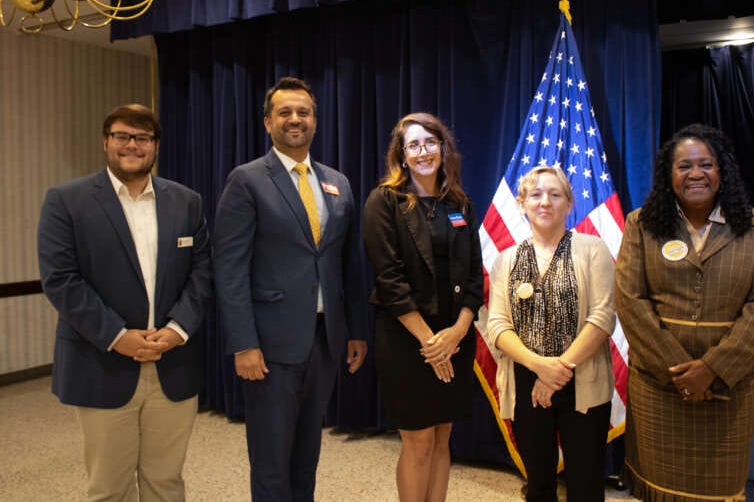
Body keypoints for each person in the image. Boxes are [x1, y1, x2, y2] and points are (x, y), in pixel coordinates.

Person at [37, 104, 213, 501]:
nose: (132, 145)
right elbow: (62, 281)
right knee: (109, 488)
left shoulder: (187, 202)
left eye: (143, 138)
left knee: (166, 483)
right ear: (106, 141)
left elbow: (203, 273)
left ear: (156, 146)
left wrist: (176, 330)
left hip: (173, 363)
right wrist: (117, 336)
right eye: (122, 136)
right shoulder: (67, 200)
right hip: (102, 363)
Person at [213, 76, 368, 501]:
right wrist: (243, 342)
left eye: (303, 112)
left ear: (315, 122)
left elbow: (346, 263)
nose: (294, 119)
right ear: (268, 122)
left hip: (324, 342)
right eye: (285, 112)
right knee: (271, 462)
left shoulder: (338, 182)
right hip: (268, 347)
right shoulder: (246, 181)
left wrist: (354, 330)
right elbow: (229, 268)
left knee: (307, 456)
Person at [615, 123, 754, 501]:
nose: (695, 174)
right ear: (668, 175)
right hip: (658, 387)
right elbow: (629, 300)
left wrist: (712, 370)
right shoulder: (641, 225)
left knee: (719, 489)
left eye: (705, 164)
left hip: (728, 391)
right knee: (658, 490)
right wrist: (679, 371)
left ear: (721, 170)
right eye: (683, 166)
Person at [362, 112, 483, 502]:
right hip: (407, 341)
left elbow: (476, 280)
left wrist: (458, 332)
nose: (423, 151)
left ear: (443, 148)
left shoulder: (459, 204)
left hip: (455, 338)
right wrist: (432, 344)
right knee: (418, 443)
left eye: (430, 142)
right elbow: (391, 283)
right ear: (401, 154)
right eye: (413, 145)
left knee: (443, 437)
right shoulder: (384, 202)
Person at [486, 165, 616, 502]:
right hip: (526, 383)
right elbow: (498, 327)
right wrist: (540, 367)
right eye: (536, 194)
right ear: (522, 203)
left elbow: (603, 317)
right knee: (539, 484)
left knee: (585, 485)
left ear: (569, 204)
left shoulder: (593, 249)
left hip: (583, 379)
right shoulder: (506, 260)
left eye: (555, 194)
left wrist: (557, 370)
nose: (545, 202)